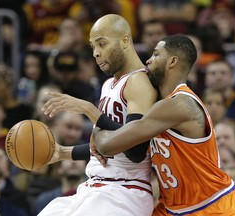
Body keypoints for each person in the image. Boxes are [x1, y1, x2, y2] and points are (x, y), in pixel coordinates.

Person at [93, 34, 235, 215]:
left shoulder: (178, 104)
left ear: (172, 61)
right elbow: (124, 144)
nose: (148, 60)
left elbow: (107, 145)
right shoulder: (160, 105)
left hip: (213, 206)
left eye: (156, 55)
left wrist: (94, 120)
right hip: (173, 207)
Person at [40, 14, 157, 216]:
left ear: (125, 40)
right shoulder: (108, 85)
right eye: (93, 46)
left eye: (102, 44)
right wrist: (62, 153)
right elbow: (104, 146)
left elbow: (136, 150)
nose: (96, 53)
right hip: (95, 188)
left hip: (124, 191)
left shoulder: (139, 82)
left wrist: (90, 110)